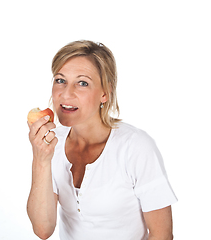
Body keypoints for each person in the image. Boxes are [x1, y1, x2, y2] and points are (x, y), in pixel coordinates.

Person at [27, 40, 177, 240]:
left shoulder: (135, 147)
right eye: (60, 80)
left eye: (82, 83)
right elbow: (43, 229)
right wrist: (41, 159)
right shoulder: (52, 143)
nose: (66, 93)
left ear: (105, 93)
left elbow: (162, 235)